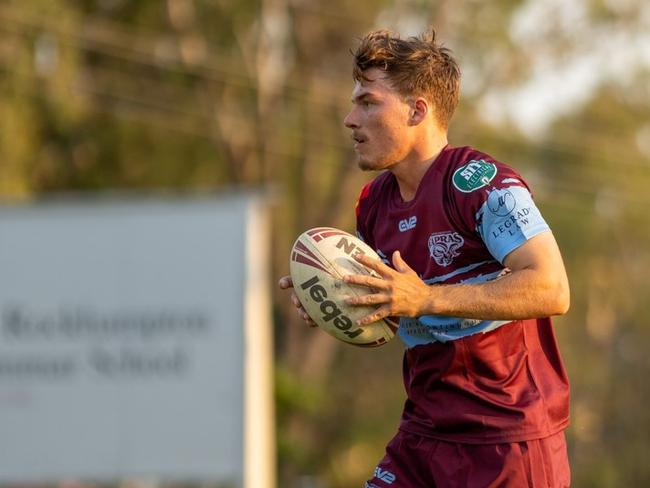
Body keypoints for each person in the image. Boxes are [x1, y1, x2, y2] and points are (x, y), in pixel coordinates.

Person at [279, 28, 571, 488]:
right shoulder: (373, 204)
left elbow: (551, 287)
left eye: (368, 102)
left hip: (508, 442)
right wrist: (334, 296)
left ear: (418, 110)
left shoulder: (480, 185)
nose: (350, 118)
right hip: (424, 436)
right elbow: (394, 306)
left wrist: (426, 298)